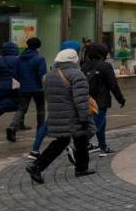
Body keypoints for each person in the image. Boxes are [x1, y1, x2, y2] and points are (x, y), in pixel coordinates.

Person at [25, 48, 93, 183]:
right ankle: (37, 166)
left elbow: (49, 96)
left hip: (57, 114)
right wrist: (85, 117)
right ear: (74, 59)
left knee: (68, 140)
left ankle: (81, 168)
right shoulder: (77, 74)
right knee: (77, 139)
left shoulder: (50, 75)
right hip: (73, 115)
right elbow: (80, 99)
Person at [27, 40, 82, 160]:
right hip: (67, 104)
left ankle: (35, 150)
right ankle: (78, 151)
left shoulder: (57, 64)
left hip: (55, 102)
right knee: (75, 130)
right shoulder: (72, 66)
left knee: (47, 125)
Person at [82, 42, 125, 156]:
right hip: (101, 101)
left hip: (87, 100)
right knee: (96, 126)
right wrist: (121, 99)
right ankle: (79, 146)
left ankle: (103, 147)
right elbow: (113, 85)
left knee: (101, 124)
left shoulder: (85, 65)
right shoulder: (105, 66)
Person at [10, 37, 47, 143]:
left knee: (22, 109)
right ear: (38, 47)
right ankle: (40, 130)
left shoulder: (19, 58)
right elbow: (42, 74)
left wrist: (23, 81)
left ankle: (12, 126)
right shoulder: (40, 58)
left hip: (24, 88)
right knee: (40, 108)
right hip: (38, 88)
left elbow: (15, 74)